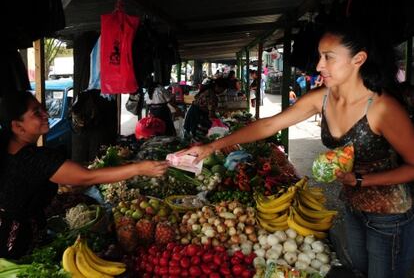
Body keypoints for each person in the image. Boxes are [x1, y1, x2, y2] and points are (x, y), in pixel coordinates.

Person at [180, 20, 414, 278]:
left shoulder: (383, 108)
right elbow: (270, 124)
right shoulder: (323, 98)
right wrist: (212, 146)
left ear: (358, 59)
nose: (318, 65)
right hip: (352, 205)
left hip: (389, 216)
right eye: (319, 56)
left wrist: (361, 179)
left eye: (328, 57)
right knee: (357, 271)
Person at [0, 91, 169, 258]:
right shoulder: (34, 158)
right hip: (15, 244)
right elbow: (88, 176)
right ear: (17, 126)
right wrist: (138, 168)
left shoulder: (11, 151)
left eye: (42, 108)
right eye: (36, 113)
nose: (45, 113)